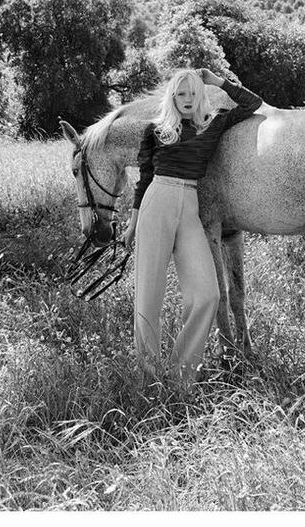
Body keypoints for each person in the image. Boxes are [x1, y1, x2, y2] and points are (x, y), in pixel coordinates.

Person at [122, 67, 263, 379]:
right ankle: (150, 374)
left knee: (207, 295)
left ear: (201, 96)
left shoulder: (214, 123)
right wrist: (132, 225)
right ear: (172, 97)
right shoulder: (156, 129)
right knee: (149, 295)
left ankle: (182, 375)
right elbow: (144, 179)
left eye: (193, 93)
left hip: (189, 206)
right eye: (180, 93)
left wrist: (216, 81)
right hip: (156, 201)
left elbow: (254, 104)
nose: (186, 99)